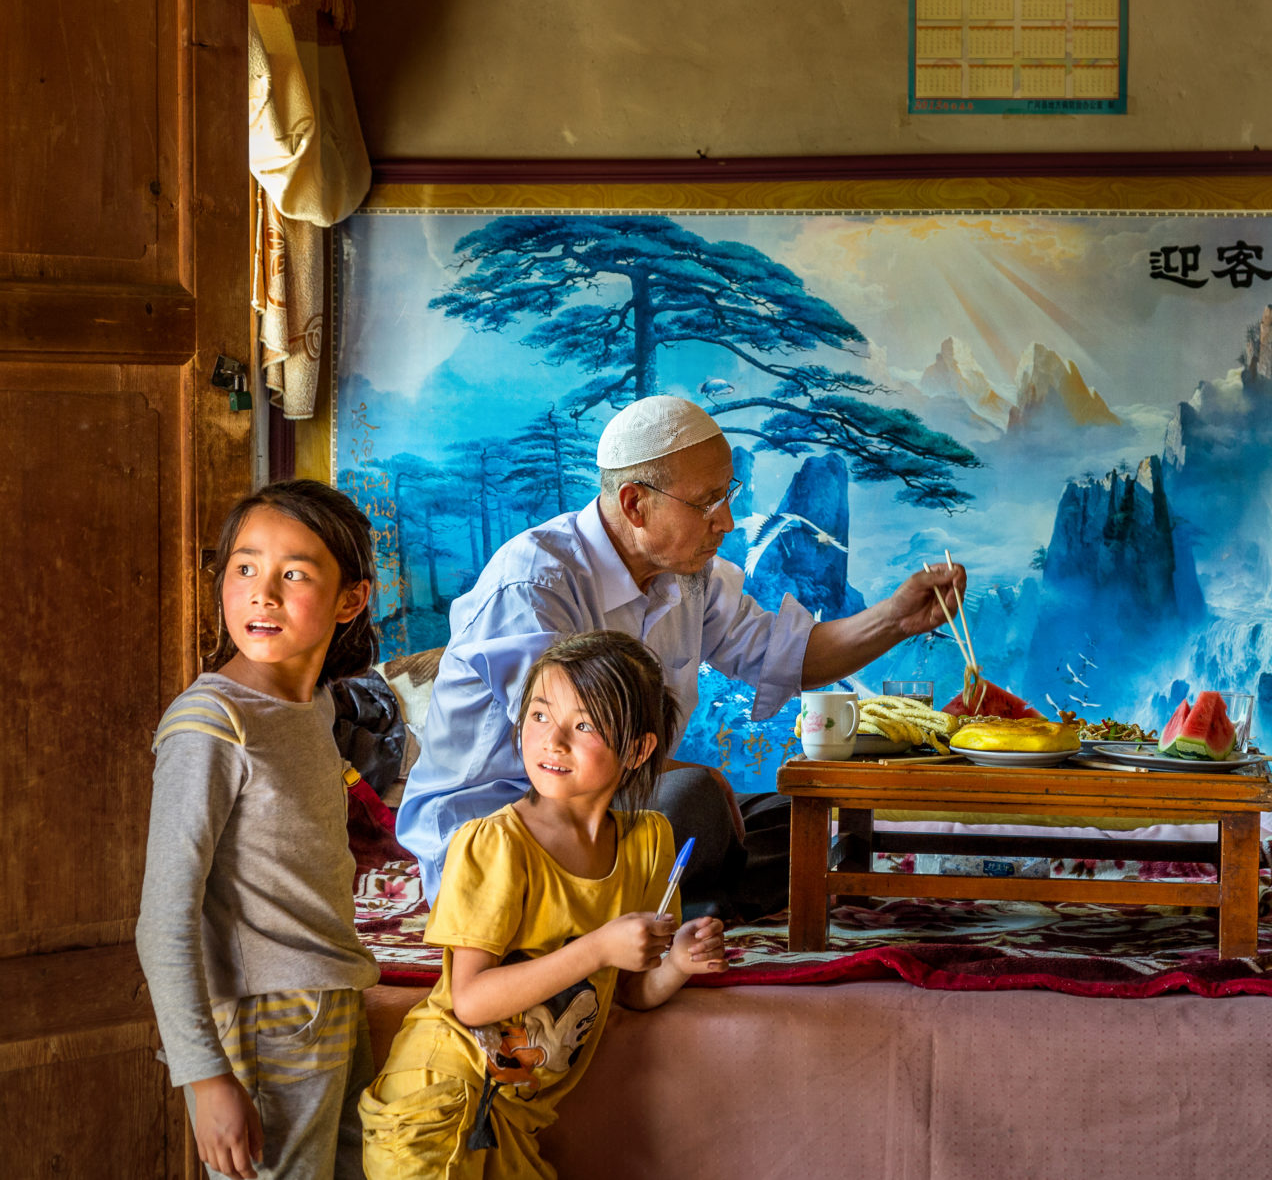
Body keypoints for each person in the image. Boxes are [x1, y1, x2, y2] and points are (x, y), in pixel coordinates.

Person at [396, 394, 965, 917]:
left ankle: (679, 903)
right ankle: (682, 906)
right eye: (707, 503)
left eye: (729, 495)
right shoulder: (536, 585)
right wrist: (684, 773)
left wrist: (894, 619)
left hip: (612, 812)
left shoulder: (687, 576)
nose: (728, 521)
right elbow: (567, 751)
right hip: (502, 838)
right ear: (634, 504)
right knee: (694, 802)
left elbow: (784, 653)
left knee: (800, 821)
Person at [358, 631, 727, 1177]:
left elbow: (628, 990)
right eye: (538, 715)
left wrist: (676, 963)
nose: (552, 741)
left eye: (584, 725)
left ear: (638, 749)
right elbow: (473, 1001)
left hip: (512, 1119)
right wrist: (601, 945)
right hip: (438, 1101)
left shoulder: (649, 843)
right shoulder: (497, 845)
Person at [137, 480, 383, 1179]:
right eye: (244, 567)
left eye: (293, 573)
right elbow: (164, 916)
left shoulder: (312, 705)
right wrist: (204, 1075)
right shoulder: (210, 724)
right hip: (265, 1021)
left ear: (350, 599)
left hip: (327, 996)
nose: (261, 593)